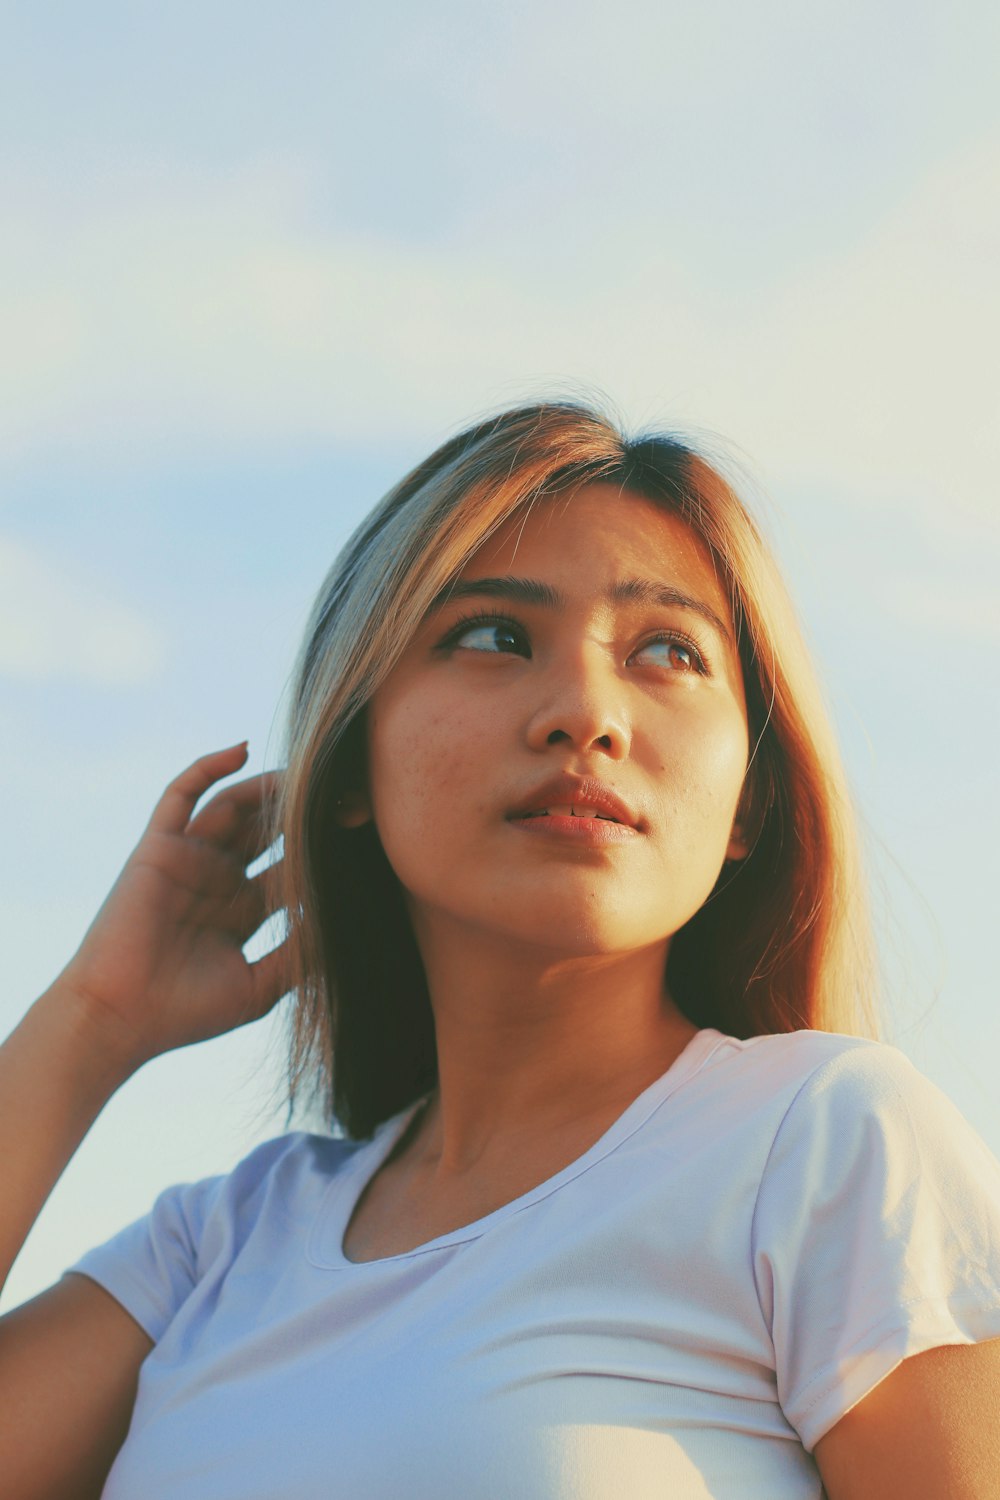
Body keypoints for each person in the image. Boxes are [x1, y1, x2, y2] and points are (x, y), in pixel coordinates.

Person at [1, 400, 998, 1499]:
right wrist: (89, 1023)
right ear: (351, 766)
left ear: (748, 804)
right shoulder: (221, 1246)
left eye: (667, 651)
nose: (584, 713)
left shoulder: (823, 1145)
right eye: (493, 637)